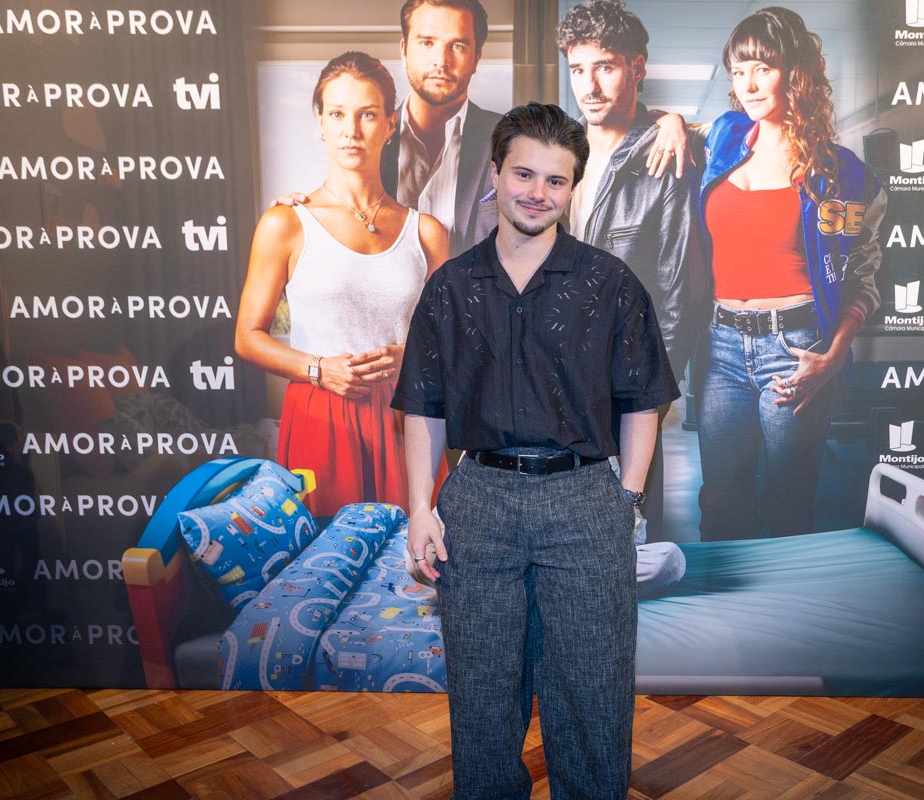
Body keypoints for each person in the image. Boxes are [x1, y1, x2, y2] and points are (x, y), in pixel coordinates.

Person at [392, 102, 679, 798]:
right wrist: (420, 510)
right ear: (494, 172)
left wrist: (627, 498)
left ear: (572, 188)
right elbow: (424, 407)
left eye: (556, 180)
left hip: (584, 498)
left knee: (592, 688)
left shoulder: (609, 284)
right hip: (479, 500)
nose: (537, 193)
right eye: (524, 173)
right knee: (482, 691)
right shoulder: (450, 287)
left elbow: (643, 399)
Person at [697, 7, 886, 540]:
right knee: (720, 502)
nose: (748, 84)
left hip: (795, 348)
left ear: (794, 73)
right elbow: (672, 132)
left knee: (788, 504)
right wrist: (667, 123)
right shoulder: (723, 138)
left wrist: (834, 356)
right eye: (738, 71)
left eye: (762, 68)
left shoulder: (841, 173)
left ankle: (784, 598)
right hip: (721, 348)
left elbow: (863, 277)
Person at [236, 52, 448, 517]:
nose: (351, 130)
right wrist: (318, 369)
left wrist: (412, 359)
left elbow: (453, 343)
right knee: (321, 554)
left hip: (405, 417)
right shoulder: (285, 223)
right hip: (320, 415)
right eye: (337, 114)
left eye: (367, 114)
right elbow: (247, 337)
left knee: (418, 553)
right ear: (321, 124)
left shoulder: (427, 233)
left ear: (390, 125)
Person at [556, 0, 705, 542]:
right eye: (578, 69)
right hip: (557, 374)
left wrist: (650, 397)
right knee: (563, 535)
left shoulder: (664, 159)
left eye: (606, 67)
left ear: (637, 68)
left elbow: (678, 293)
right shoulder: (558, 150)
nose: (590, 86)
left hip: (626, 383)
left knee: (631, 537)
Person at [384, 0, 503, 257]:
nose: (441, 61)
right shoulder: (370, 139)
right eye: (427, 43)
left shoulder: (512, 140)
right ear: (404, 51)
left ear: (476, 58)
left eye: (458, 46)